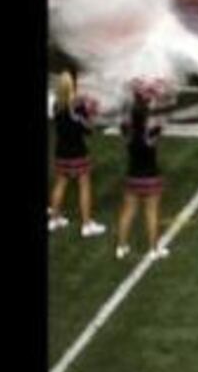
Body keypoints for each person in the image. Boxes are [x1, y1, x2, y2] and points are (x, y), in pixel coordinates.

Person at [116, 78, 172, 261]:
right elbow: (165, 115)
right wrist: (160, 95)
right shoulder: (152, 132)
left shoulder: (127, 130)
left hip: (132, 175)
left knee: (128, 211)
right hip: (151, 176)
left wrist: (137, 93)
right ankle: (154, 249)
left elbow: (124, 112)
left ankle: (121, 246)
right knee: (151, 212)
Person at [49, 71, 106, 238]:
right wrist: (91, 114)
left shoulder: (56, 105)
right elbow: (87, 130)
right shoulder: (77, 107)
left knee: (60, 183)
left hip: (61, 151)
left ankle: (54, 219)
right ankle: (87, 224)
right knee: (84, 186)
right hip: (77, 152)